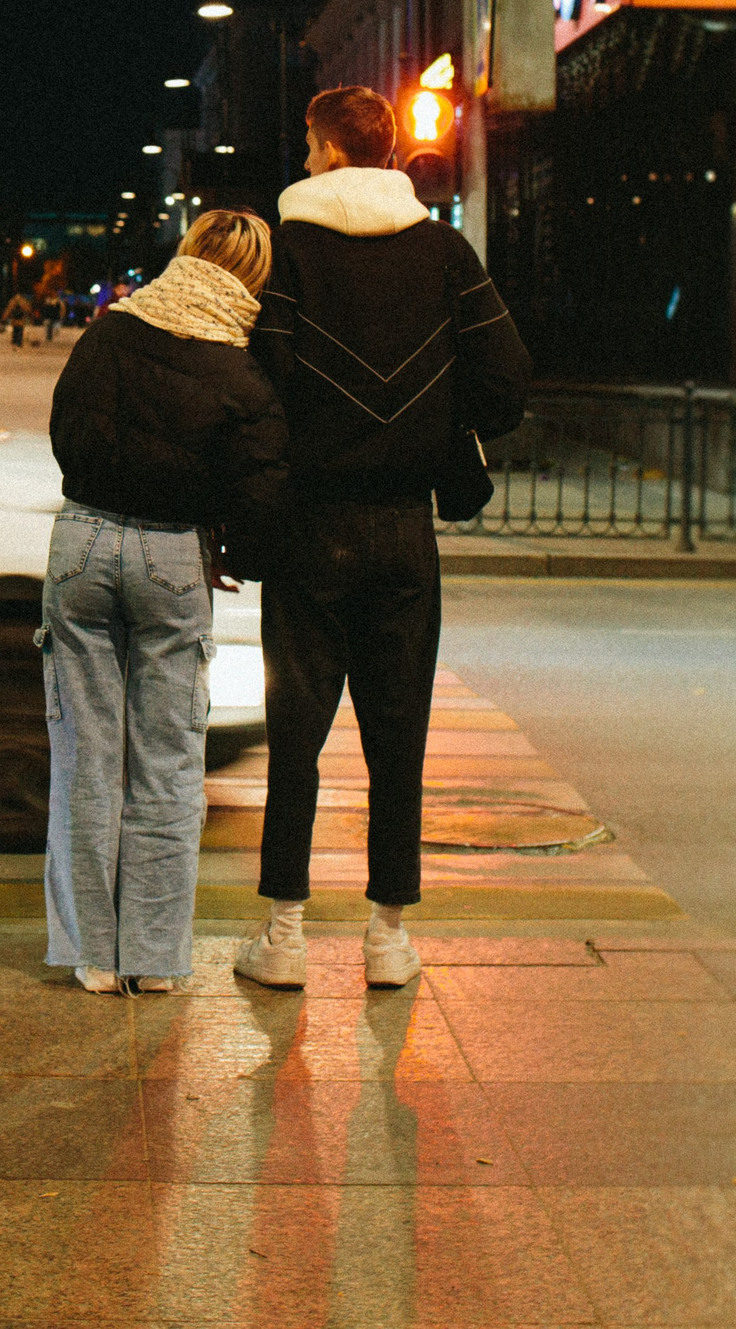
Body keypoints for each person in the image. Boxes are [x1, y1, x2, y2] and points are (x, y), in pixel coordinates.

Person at [233, 86, 528, 992]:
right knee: (398, 736)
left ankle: (284, 934)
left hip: (308, 527)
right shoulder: (443, 252)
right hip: (405, 528)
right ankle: (388, 937)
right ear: (389, 150)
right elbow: (506, 380)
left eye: (310, 143)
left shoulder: (287, 254)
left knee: (296, 734)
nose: (307, 157)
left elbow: (255, 385)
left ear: (327, 148)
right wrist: (440, 425)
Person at [42, 212, 287, 994]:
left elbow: (65, 430)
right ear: (253, 278)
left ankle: (93, 955)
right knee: (170, 761)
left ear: (186, 254)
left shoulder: (110, 331)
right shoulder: (241, 371)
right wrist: (231, 554)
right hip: (174, 554)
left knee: (85, 757)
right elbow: (263, 490)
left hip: (80, 541)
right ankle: (151, 959)